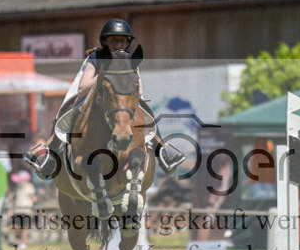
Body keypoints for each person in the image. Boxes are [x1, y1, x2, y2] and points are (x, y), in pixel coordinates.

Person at [27, 19, 184, 178]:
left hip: (118, 98)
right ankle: (50, 152)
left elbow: (140, 89)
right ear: (104, 41)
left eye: (122, 40)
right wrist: (103, 77)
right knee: (68, 105)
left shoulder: (129, 59)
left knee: (145, 108)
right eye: (113, 40)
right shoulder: (96, 56)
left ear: (128, 42)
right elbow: (82, 89)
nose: (118, 45)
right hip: (91, 92)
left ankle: (163, 150)